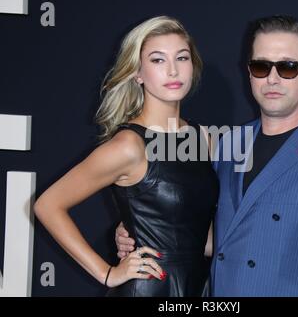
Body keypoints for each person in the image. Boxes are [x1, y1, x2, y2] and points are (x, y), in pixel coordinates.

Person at [116, 15, 298, 296]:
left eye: (288, 67)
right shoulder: (226, 144)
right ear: (249, 72)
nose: (272, 78)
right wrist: (141, 227)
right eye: (261, 66)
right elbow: (214, 236)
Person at [34, 16, 219, 297]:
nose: (172, 70)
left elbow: (199, 233)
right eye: (157, 60)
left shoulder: (204, 138)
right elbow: (48, 205)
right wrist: (107, 273)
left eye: (181, 58)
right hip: (147, 289)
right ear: (138, 73)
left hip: (200, 288)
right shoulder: (128, 146)